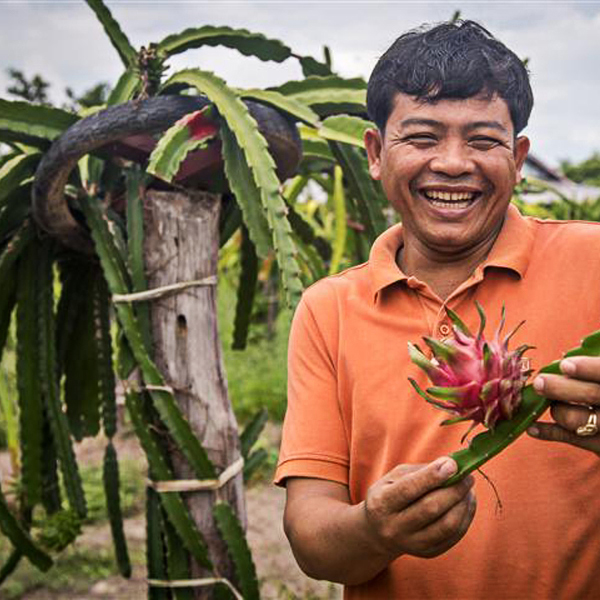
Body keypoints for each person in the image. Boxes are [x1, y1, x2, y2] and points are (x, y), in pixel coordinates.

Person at [275, 19, 600, 600]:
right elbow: (311, 537)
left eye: (483, 140)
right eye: (422, 138)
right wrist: (374, 529)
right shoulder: (329, 310)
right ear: (375, 153)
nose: (452, 163)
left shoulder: (594, 261)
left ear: (519, 157)